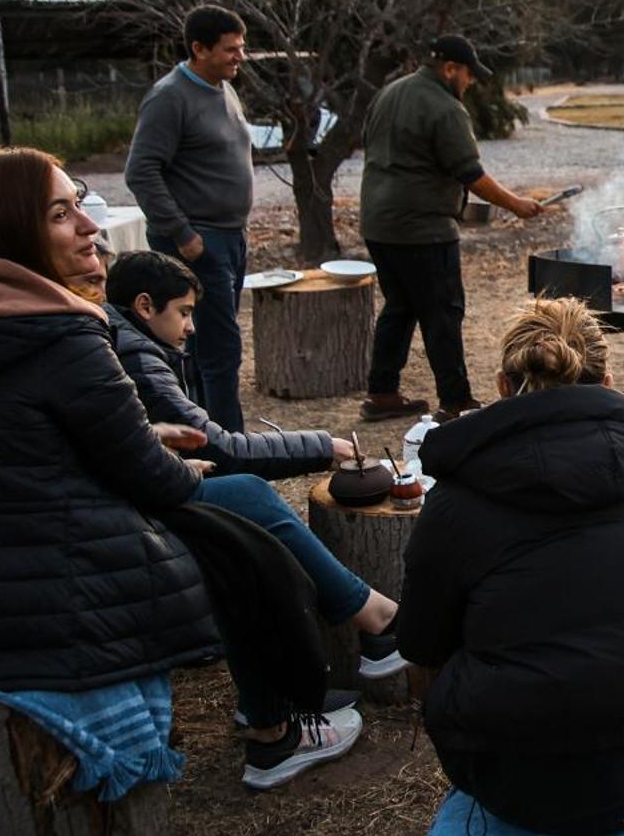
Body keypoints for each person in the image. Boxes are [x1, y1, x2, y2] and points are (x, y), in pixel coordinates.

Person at [0, 148, 361, 790]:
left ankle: (349, 640)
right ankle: (277, 731)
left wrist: (136, 437)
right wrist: (163, 455)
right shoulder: (60, 334)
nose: (89, 227)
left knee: (234, 508)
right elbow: (157, 482)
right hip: (21, 618)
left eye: (79, 204)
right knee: (235, 541)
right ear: (10, 231)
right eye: (60, 213)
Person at [396, 297, 624, 836]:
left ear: (502, 385)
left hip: (515, 779)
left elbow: (421, 647)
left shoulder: (454, 503)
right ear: (610, 379)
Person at [104, 250, 405, 682]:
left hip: (136, 490)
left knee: (250, 517)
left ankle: (292, 692)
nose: (191, 326)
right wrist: (324, 445)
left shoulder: (131, 341)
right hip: (132, 509)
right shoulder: (140, 360)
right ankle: (372, 622)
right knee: (248, 499)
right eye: (184, 313)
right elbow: (222, 451)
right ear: (145, 306)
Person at [358, 33, 545, 425]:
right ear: (450, 69)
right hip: (422, 229)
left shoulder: (390, 93)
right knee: (443, 312)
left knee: (400, 306)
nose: (470, 82)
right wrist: (518, 205)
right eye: (468, 74)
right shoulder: (445, 108)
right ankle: (456, 401)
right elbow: (471, 174)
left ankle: (382, 392)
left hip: (378, 223)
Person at [126, 4, 256, 433]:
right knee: (219, 350)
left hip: (229, 236)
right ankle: (231, 445)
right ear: (198, 48)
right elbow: (141, 171)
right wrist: (183, 234)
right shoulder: (170, 97)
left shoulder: (224, 87)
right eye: (230, 49)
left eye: (241, 48)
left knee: (207, 347)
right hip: (197, 241)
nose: (239, 56)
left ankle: (203, 434)